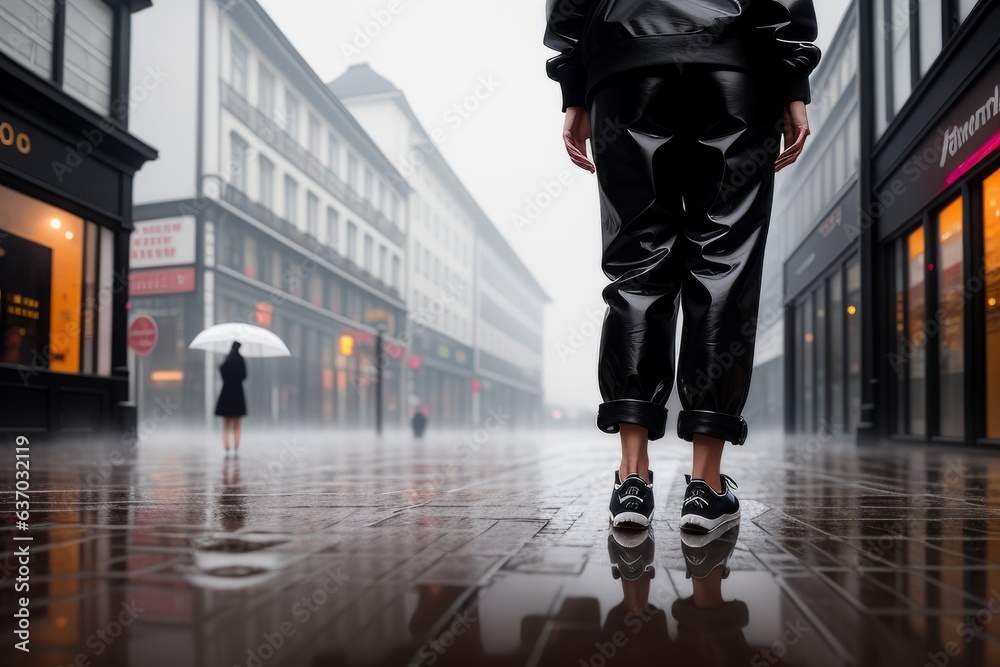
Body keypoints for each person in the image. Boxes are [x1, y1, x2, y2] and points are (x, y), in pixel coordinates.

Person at [544, 1, 821, 531]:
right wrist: (792, 82)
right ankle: (706, 487)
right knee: (725, 261)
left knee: (636, 264)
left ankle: (631, 481)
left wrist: (575, 89)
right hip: (734, 65)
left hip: (624, 68)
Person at [215, 341, 247, 456]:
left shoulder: (227, 359)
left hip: (226, 394)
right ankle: (236, 446)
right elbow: (244, 376)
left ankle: (227, 446)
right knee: (236, 424)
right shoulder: (241, 360)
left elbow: (222, 371)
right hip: (238, 394)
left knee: (226, 423)